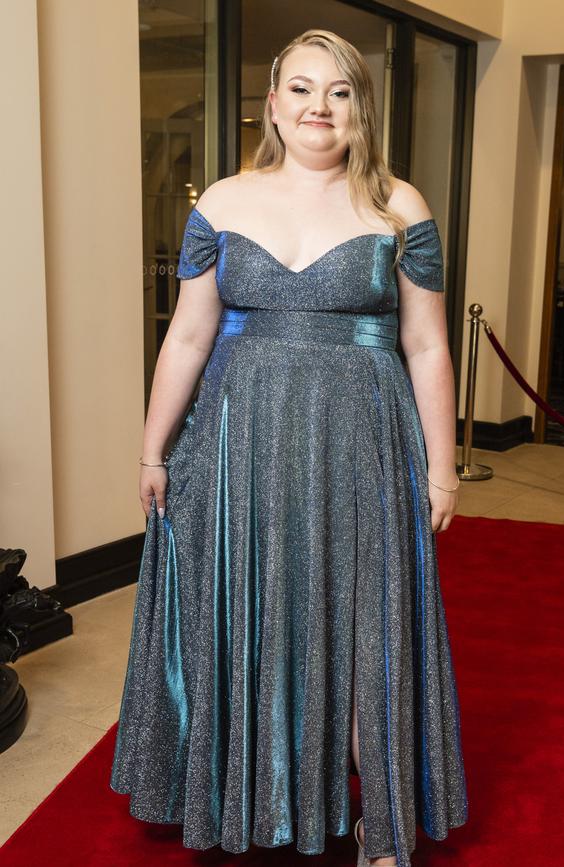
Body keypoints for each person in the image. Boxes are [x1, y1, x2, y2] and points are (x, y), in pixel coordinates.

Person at [110, 29, 468, 867]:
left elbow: (427, 346)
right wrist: (152, 449)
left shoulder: (400, 206)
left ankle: (380, 822)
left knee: (367, 626)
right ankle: (256, 800)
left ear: (360, 108)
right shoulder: (225, 201)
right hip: (241, 446)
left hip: (365, 446)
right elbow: (188, 336)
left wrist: (442, 465)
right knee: (256, 616)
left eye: (340, 91)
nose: (319, 107)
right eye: (302, 89)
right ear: (271, 104)